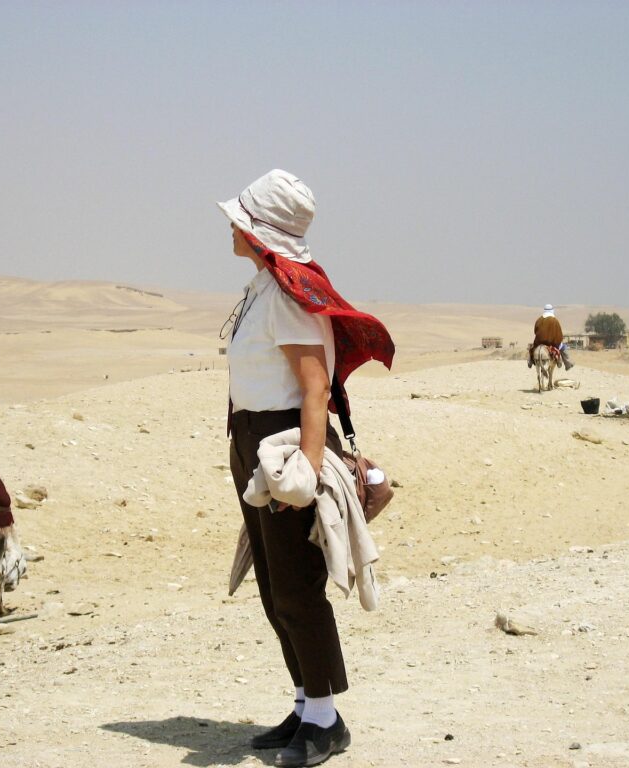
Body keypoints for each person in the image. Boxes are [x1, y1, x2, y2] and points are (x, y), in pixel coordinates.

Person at [217, 169, 394, 767]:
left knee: (296, 586)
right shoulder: (265, 287)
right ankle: (304, 705)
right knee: (273, 585)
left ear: (261, 229)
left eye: (239, 217)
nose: (230, 225)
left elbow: (314, 387)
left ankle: (325, 720)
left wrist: (309, 471)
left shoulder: (290, 295)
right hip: (253, 442)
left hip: (284, 448)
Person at [528, 303, 574, 370]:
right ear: (552, 310)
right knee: (563, 347)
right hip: (552, 342)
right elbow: (559, 333)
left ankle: (530, 362)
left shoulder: (539, 320)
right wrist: (558, 339)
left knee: (532, 348)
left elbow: (535, 331)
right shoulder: (555, 320)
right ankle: (567, 364)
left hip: (539, 342)